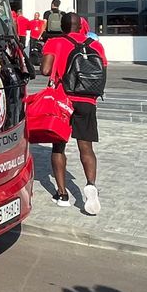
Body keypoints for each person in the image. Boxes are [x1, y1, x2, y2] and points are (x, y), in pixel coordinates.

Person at [41, 12, 106, 214]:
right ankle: (91, 185)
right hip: (87, 100)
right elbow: (102, 70)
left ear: (62, 26)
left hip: (63, 100)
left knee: (58, 147)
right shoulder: (96, 44)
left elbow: (45, 70)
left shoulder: (55, 42)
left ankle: (62, 195)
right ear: (80, 26)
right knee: (86, 148)